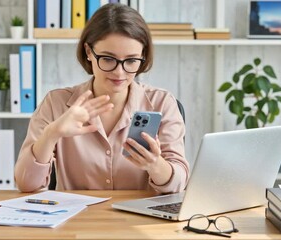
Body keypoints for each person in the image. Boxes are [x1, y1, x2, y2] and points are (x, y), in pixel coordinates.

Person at [15, 3, 189, 194]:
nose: (119, 72)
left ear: (143, 56)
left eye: (131, 61)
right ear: (89, 52)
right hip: (77, 220)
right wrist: (51, 134)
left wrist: (156, 165)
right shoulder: (55, 103)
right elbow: (26, 185)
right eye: (108, 59)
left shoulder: (162, 103)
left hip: (140, 220)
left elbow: (179, 184)